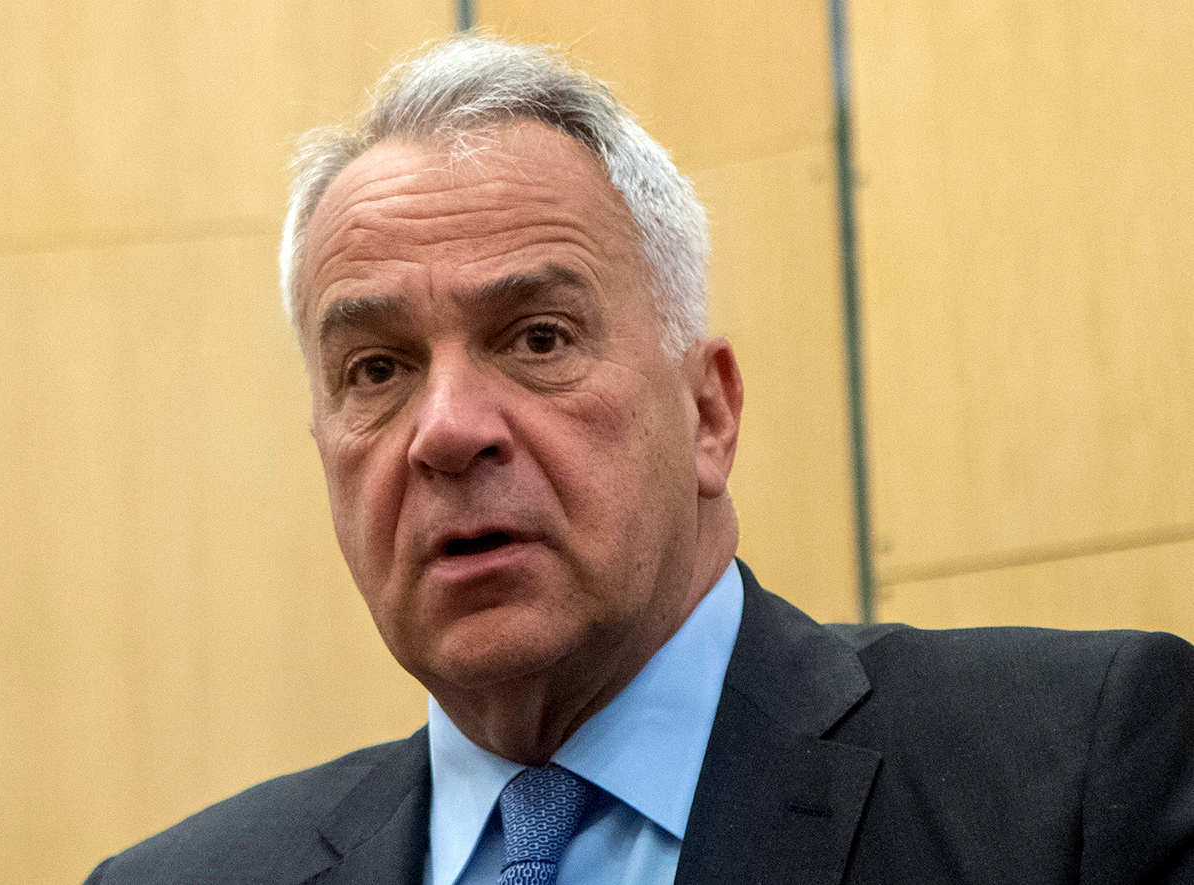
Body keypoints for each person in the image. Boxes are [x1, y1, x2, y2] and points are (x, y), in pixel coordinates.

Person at [84, 36, 1194, 885]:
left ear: (708, 413)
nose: (446, 429)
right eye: (376, 369)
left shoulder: (1075, 777)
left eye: (538, 339)